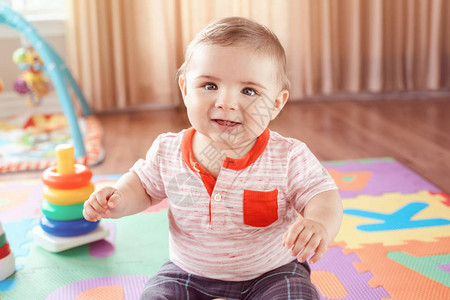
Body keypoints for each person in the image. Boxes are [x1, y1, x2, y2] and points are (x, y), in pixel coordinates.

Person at [83, 16, 342, 300]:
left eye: (249, 91)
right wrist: (117, 199)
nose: (226, 102)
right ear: (185, 88)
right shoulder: (168, 151)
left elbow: (323, 196)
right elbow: (142, 187)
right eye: (209, 86)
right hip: (187, 272)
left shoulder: (288, 156)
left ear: (275, 104)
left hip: (272, 272)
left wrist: (318, 223)